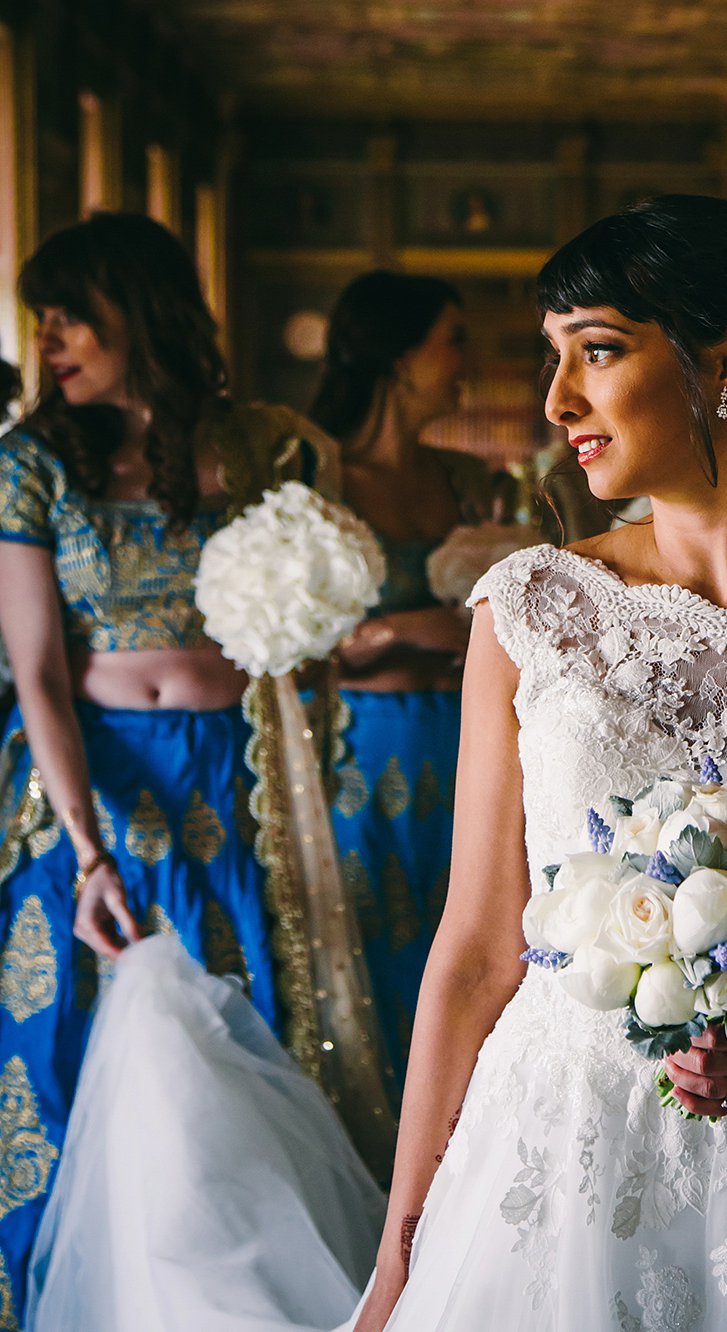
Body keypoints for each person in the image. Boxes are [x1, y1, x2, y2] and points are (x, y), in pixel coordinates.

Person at [27, 198, 727, 1332]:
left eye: (598, 352)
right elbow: (475, 951)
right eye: (552, 359)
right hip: (554, 1161)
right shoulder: (531, 608)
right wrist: (400, 1253)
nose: (557, 400)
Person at [0, 212, 371, 1322]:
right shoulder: (30, 466)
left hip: (238, 777)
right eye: (41, 319)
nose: (51, 338)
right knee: (78, 1072)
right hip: (98, 784)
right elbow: (37, 674)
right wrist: (88, 850)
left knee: (252, 1048)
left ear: (142, 311)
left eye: (74, 313)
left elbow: (314, 633)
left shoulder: (266, 446)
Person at [310, 272, 493, 1087]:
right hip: (358, 754)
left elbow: (509, 620)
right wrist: (426, 632)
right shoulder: (315, 478)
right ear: (396, 352)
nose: (466, 358)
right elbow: (311, 642)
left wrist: (394, 631)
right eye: (451, 337)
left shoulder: (468, 480)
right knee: (374, 941)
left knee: (471, 937)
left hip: (468, 739)